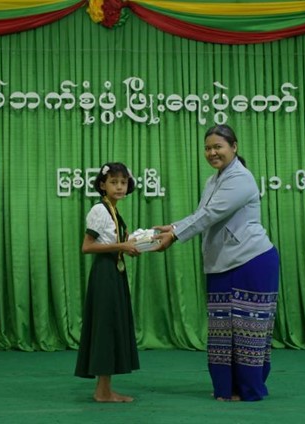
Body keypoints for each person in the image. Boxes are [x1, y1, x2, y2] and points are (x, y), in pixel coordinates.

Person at [154, 124, 280, 402]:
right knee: (222, 330)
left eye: (218, 147)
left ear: (234, 147)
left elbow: (210, 214)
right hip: (222, 263)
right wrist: (174, 227)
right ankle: (227, 388)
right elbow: (202, 213)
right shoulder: (213, 180)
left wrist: (174, 234)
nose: (212, 152)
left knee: (247, 330)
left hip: (252, 261)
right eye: (208, 148)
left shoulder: (242, 178)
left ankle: (248, 389)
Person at [74, 162, 141, 403]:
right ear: (103, 185)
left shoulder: (113, 211)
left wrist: (133, 245)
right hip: (105, 272)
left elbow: (113, 243)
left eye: (123, 182)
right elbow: (87, 246)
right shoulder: (99, 210)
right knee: (105, 327)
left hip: (115, 271)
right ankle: (102, 391)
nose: (119, 187)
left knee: (111, 326)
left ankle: (104, 389)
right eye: (114, 182)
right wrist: (121, 245)